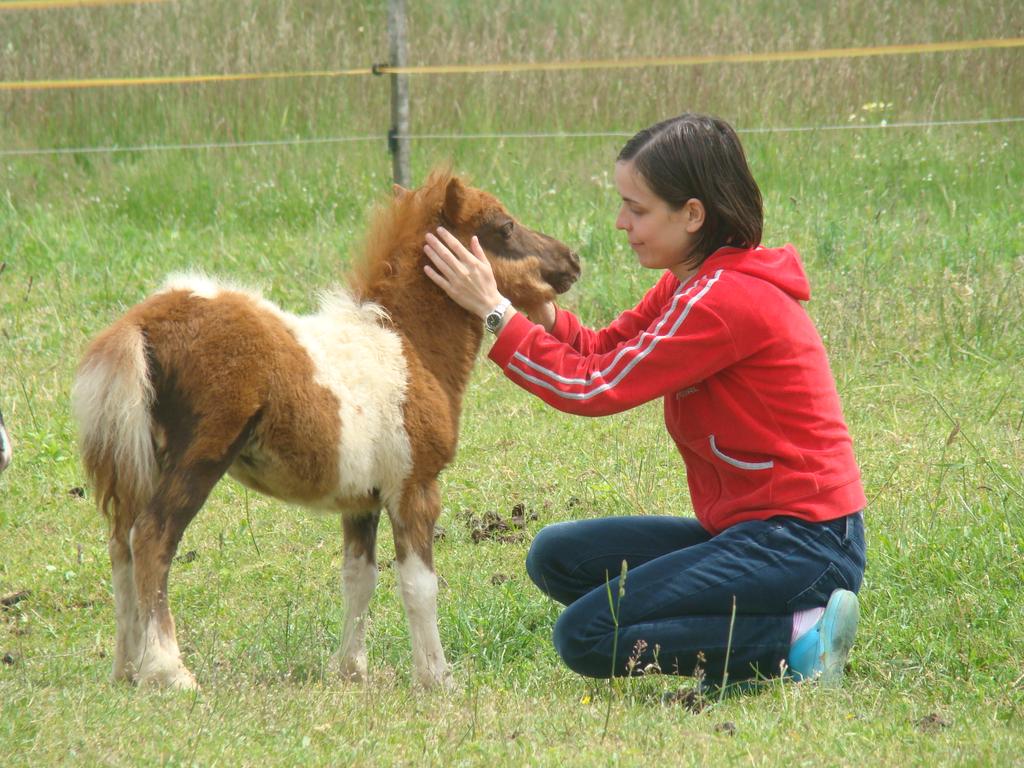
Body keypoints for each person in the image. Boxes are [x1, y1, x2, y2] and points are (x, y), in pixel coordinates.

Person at [422, 113, 866, 688]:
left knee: (585, 636)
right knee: (557, 557)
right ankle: (772, 617)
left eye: (637, 208)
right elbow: (603, 349)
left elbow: (593, 386)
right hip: (751, 532)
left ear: (692, 214)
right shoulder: (692, 281)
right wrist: (526, 303)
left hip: (804, 544)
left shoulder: (721, 301)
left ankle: (793, 639)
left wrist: (494, 315)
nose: (620, 222)